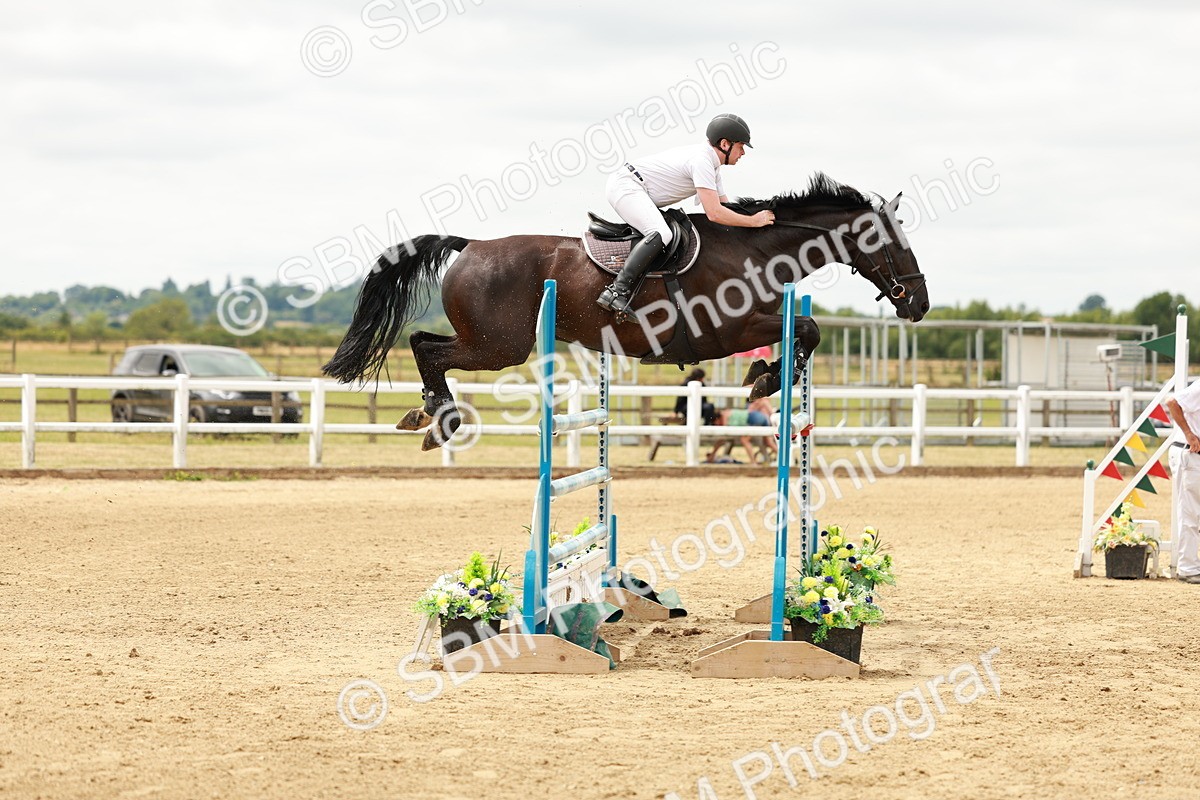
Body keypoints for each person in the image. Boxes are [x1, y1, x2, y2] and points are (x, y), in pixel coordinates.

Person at [596, 113, 776, 314]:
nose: (743, 152)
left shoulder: (712, 165)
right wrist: (754, 221)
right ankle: (616, 290)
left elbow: (727, 208)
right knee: (662, 233)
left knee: (665, 232)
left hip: (634, 187)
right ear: (725, 144)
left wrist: (759, 219)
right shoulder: (702, 161)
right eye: (741, 146)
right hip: (626, 186)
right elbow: (715, 214)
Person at [1166, 377, 1200, 583]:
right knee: (1190, 512)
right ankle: (1188, 568)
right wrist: (1189, 433)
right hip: (1190, 454)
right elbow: (1172, 402)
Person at [707, 397, 777, 464]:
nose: (717, 425)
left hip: (753, 417)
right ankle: (781, 457)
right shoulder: (726, 414)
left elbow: (723, 437)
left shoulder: (724, 415)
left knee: (744, 440)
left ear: (717, 420)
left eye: (716, 424)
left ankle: (753, 462)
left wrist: (713, 453)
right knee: (768, 442)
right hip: (761, 417)